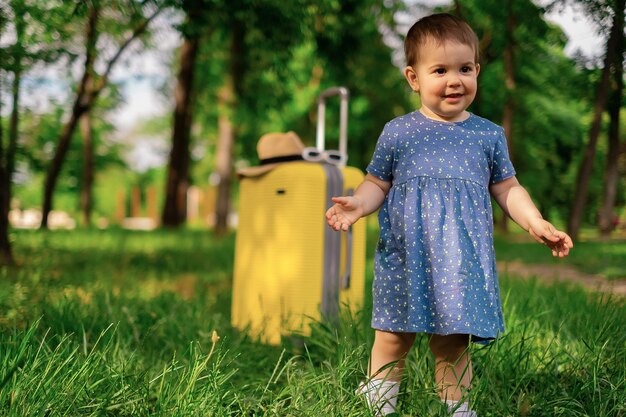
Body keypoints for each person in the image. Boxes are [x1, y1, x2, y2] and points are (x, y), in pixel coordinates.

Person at [325, 12, 573, 417]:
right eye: (440, 70)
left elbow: (507, 188)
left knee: (453, 343)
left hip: (460, 262)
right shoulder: (398, 132)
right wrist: (359, 203)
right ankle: (378, 405)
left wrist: (535, 221)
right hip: (407, 256)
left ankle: (457, 410)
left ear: (477, 70)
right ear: (414, 78)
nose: (454, 80)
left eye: (464, 68)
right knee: (392, 335)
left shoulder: (487, 135)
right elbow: (378, 183)